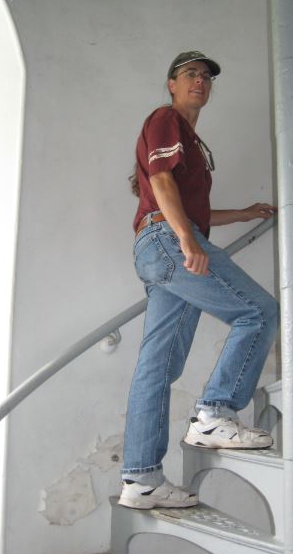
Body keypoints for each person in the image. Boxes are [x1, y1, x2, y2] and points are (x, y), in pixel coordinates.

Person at [119, 51, 278, 510]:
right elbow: (161, 181)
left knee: (157, 368)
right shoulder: (165, 119)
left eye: (206, 76)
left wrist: (242, 214)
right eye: (190, 74)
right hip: (167, 239)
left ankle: (142, 479)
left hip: (160, 243)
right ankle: (214, 413)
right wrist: (187, 240)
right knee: (259, 311)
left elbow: (191, 209)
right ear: (171, 84)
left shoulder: (191, 140)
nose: (201, 81)